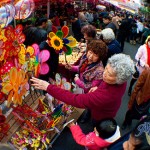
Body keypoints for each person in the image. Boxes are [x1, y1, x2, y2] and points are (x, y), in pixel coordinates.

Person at [31, 54, 135, 123]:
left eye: (110, 74)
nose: (105, 74)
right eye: (106, 69)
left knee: (96, 126)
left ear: (119, 79)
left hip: (102, 115)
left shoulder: (106, 95)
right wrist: (97, 87)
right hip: (105, 107)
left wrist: (48, 87)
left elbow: (76, 100)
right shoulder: (118, 81)